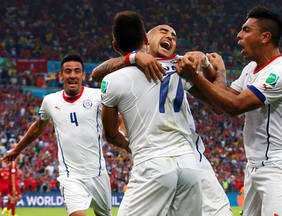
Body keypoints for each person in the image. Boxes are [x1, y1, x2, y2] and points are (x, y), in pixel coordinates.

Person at [92, 24, 232, 216]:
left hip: (189, 159)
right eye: (164, 32)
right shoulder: (134, 67)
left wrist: (206, 62)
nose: (170, 37)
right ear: (146, 40)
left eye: (174, 36)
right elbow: (97, 74)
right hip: (177, 162)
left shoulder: (181, 65)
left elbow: (218, 102)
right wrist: (134, 56)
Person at [177, 6, 282, 216]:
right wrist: (190, 81)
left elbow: (235, 106)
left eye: (246, 30)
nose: (239, 35)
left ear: (265, 37)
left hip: (279, 168)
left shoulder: (280, 72)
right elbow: (220, 103)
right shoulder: (251, 70)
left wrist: (196, 77)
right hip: (254, 167)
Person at [101, 10, 202, 216]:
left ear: (115, 46)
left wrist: (130, 148)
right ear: (146, 39)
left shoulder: (112, 80)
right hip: (189, 165)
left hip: (152, 163)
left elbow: (110, 134)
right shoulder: (178, 67)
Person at [1, 53, 112, 216]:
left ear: (83, 75)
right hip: (70, 175)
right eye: (68, 71)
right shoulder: (50, 101)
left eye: (77, 71)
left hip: (98, 173)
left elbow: (118, 119)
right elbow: (38, 127)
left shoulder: (97, 96)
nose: (72, 75)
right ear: (61, 75)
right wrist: (17, 150)